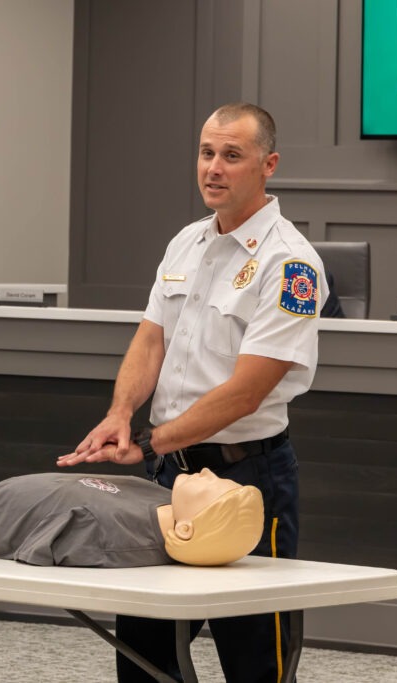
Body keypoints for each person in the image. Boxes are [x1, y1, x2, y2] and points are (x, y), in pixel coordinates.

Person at [57, 102, 325, 683]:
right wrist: (120, 415)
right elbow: (150, 341)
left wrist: (151, 442)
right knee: (145, 654)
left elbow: (245, 395)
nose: (214, 168)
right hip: (166, 480)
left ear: (268, 164)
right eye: (207, 153)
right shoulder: (185, 243)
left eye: (232, 155)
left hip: (246, 476)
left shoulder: (291, 263)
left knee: (256, 658)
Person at [0, 467, 263, 568]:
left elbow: (39, 552)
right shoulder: (165, 499)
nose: (208, 472)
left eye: (212, 486)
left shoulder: (101, 533)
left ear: (185, 529)